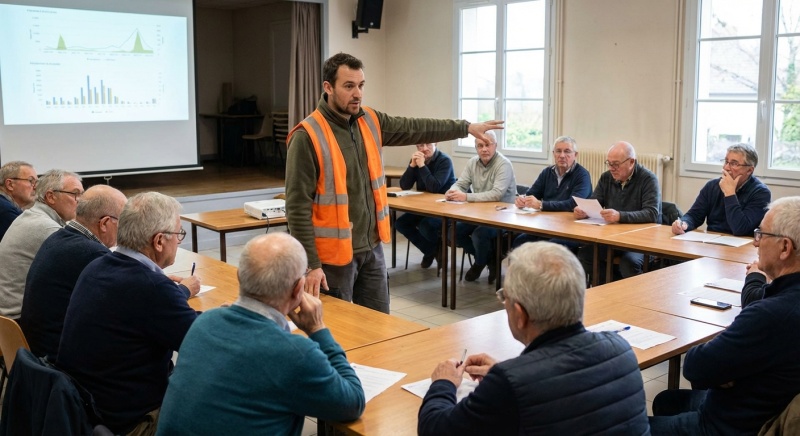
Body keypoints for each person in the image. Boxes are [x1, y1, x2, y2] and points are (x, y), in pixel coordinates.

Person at [285, 52, 503, 314]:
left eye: (361, 85)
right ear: (328, 87)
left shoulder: (370, 120)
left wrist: (465, 127)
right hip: (332, 259)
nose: (357, 94)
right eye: (349, 86)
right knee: (337, 331)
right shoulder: (307, 136)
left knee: (380, 327)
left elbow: (416, 128)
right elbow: (297, 208)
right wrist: (311, 264)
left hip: (372, 249)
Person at [418, 241, 650, 435]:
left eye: (504, 297)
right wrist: (509, 375)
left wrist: (443, 383)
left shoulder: (510, 383)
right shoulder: (621, 348)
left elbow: (434, 429)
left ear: (520, 315)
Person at [156, 233, 365, 436]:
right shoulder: (294, 353)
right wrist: (318, 329)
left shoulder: (204, 323)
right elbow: (353, 402)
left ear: (240, 277)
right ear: (299, 289)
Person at [650, 196, 800, 435]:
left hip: (729, 425)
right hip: (762, 403)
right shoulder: (782, 303)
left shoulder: (771, 314)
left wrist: (726, 361)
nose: (755, 243)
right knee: (666, 401)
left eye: (761, 234)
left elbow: (695, 368)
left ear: (785, 248)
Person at [57, 192, 201, 436]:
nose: (179, 241)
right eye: (179, 234)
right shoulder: (151, 287)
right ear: (159, 241)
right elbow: (204, 344)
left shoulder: (97, 266)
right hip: (131, 423)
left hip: (85, 411)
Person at [19, 185, 127, 359]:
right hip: (58, 360)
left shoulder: (59, 237)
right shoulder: (92, 254)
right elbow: (125, 303)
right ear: (105, 223)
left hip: (37, 352)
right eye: (123, 222)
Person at [0, 169, 83, 319]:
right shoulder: (46, 227)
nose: (80, 201)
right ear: (51, 197)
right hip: (20, 317)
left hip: (9, 315)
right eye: (75, 194)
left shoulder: (32, 216)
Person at [575, 141, 661, 282]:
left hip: (641, 239)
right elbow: (595, 202)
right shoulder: (606, 177)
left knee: (629, 263)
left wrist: (620, 216)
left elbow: (651, 213)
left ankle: (630, 293)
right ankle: (608, 288)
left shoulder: (648, 179)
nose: (611, 168)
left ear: (631, 162)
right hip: (613, 237)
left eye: (616, 164)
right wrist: (583, 210)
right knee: (586, 256)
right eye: (609, 163)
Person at [447, 130, 516, 283]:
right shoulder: (472, 162)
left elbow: (496, 194)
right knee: (453, 232)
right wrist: (452, 191)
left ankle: (479, 263)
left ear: (495, 145)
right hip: (479, 214)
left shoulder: (504, 164)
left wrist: (466, 197)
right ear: (476, 148)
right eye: (480, 146)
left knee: (479, 234)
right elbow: (461, 183)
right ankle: (488, 258)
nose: (484, 149)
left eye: (488, 145)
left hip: (502, 216)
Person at [673, 143, 770, 237]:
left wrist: (730, 193)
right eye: (726, 162)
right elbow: (694, 215)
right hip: (713, 242)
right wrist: (683, 223)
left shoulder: (761, 193)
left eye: (734, 163)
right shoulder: (712, 186)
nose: (726, 167)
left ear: (749, 170)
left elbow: (740, 229)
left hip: (742, 244)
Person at [512, 136, 592, 249]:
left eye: (567, 151)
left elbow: (572, 203)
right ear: (553, 154)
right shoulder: (547, 172)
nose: (562, 155)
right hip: (547, 225)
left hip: (570, 229)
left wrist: (542, 205)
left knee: (548, 248)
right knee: (520, 242)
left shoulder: (582, 175)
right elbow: (532, 193)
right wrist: (523, 200)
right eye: (558, 151)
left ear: (575, 155)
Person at [395, 142, 456, 268]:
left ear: (435, 143)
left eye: (428, 144)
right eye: (420, 146)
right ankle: (431, 250)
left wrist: (422, 166)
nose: (424, 149)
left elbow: (434, 187)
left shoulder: (445, 161)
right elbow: (404, 185)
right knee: (400, 223)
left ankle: (432, 250)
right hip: (424, 207)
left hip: (444, 208)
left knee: (426, 225)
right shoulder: (417, 160)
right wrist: (412, 166)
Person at [0, 160, 38, 240]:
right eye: (31, 181)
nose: (35, 187)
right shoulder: (6, 211)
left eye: (36, 182)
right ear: (10, 184)